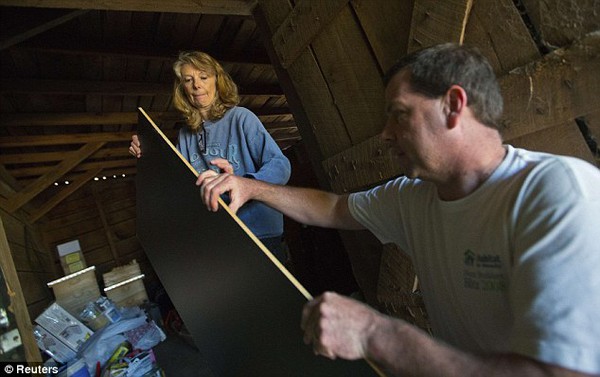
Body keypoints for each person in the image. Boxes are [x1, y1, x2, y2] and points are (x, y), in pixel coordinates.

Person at [196, 43, 600, 376]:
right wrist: (251, 187)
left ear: (454, 105)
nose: (386, 135)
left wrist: (374, 333)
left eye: (400, 114)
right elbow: (335, 208)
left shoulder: (554, 192)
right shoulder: (414, 196)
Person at [130, 51, 291, 263]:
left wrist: (245, 185)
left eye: (203, 77)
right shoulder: (185, 136)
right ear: (183, 89)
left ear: (217, 80)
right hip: (221, 238)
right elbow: (178, 184)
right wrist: (148, 154)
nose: (196, 85)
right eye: (188, 80)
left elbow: (280, 165)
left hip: (259, 232)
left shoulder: (241, 117)